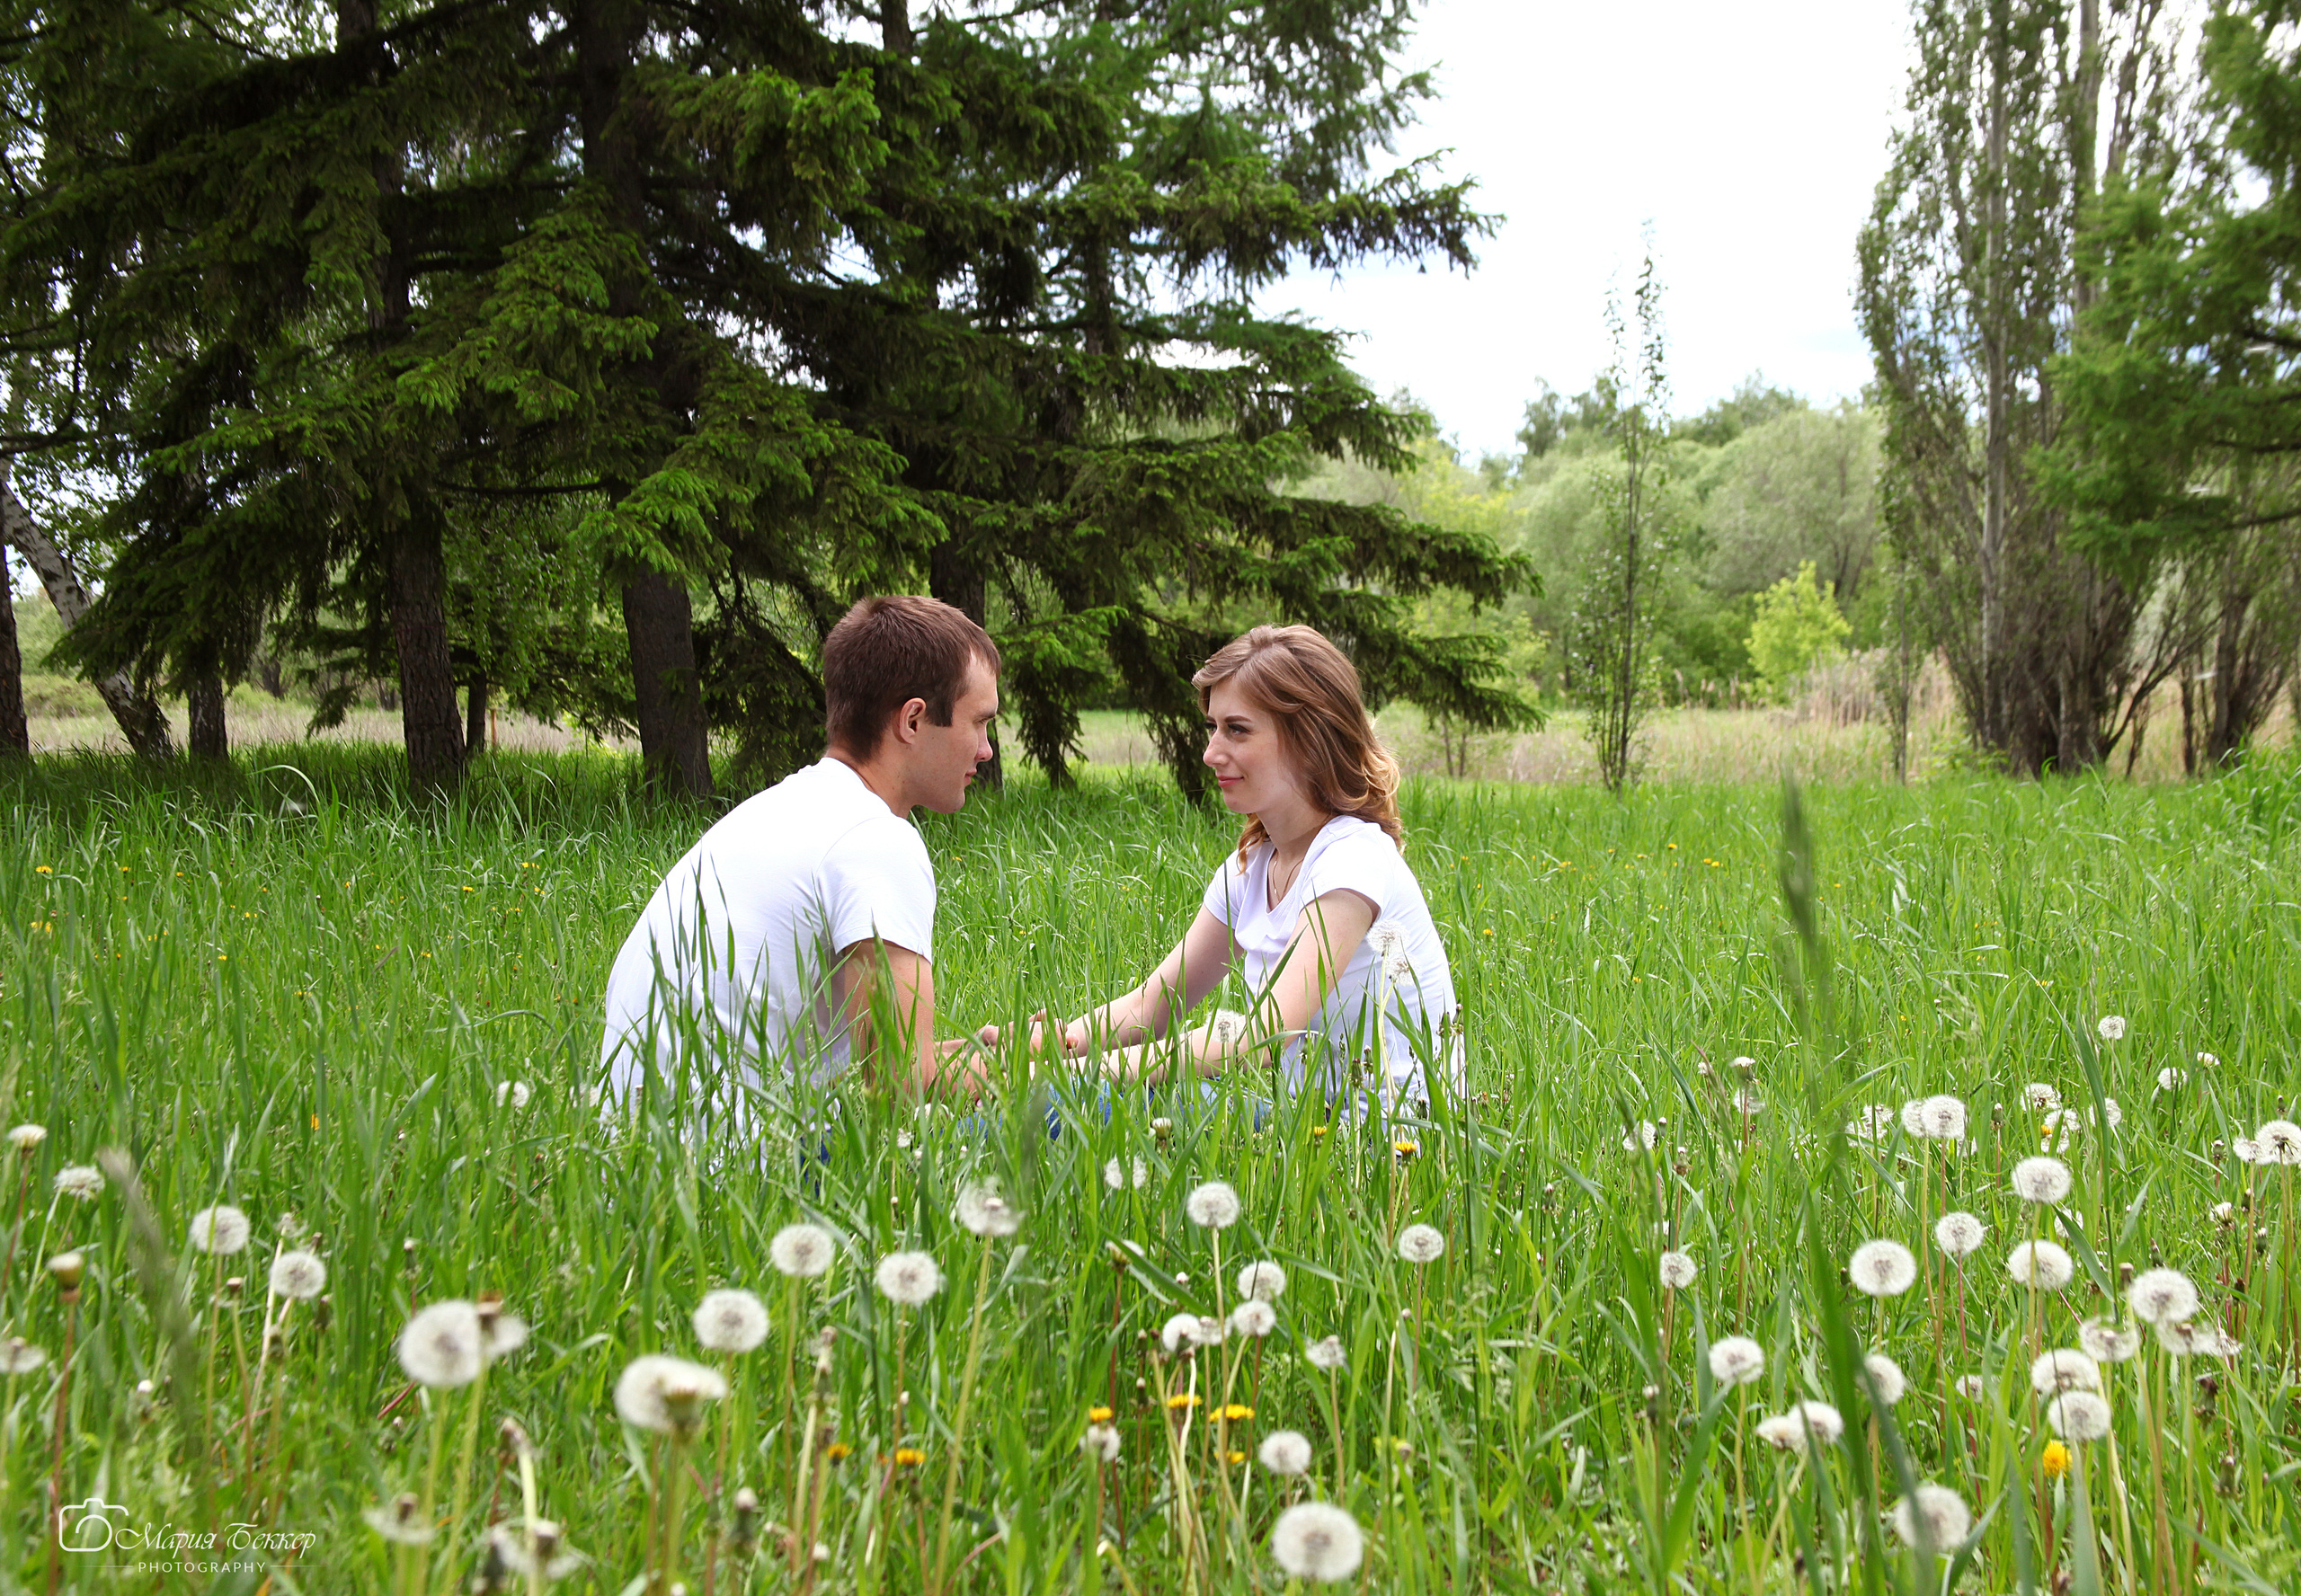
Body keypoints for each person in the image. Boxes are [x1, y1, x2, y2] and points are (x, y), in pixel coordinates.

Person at [1017, 624, 1462, 1114]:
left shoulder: (1353, 859)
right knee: (1070, 1100)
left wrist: (1073, 1075)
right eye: (1213, 727)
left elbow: (1263, 1035)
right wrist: (1041, 1048)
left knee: (1084, 1105)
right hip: (1303, 1126)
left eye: (1238, 729)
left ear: (1310, 738)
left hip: (1379, 1145)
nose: (1211, 753)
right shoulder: (1252, 867)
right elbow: (1153, 1007)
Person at [599, 595, 999, 1107]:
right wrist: (1048, 1074)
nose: (986, 749)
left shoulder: (781, 812)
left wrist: (990, 1051)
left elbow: (892, 1060)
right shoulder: (875, 840)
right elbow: (901, 1084)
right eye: (979, 722)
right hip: (728, 1166)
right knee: (1070, 1113)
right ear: (913, 721)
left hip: (633, 1161)